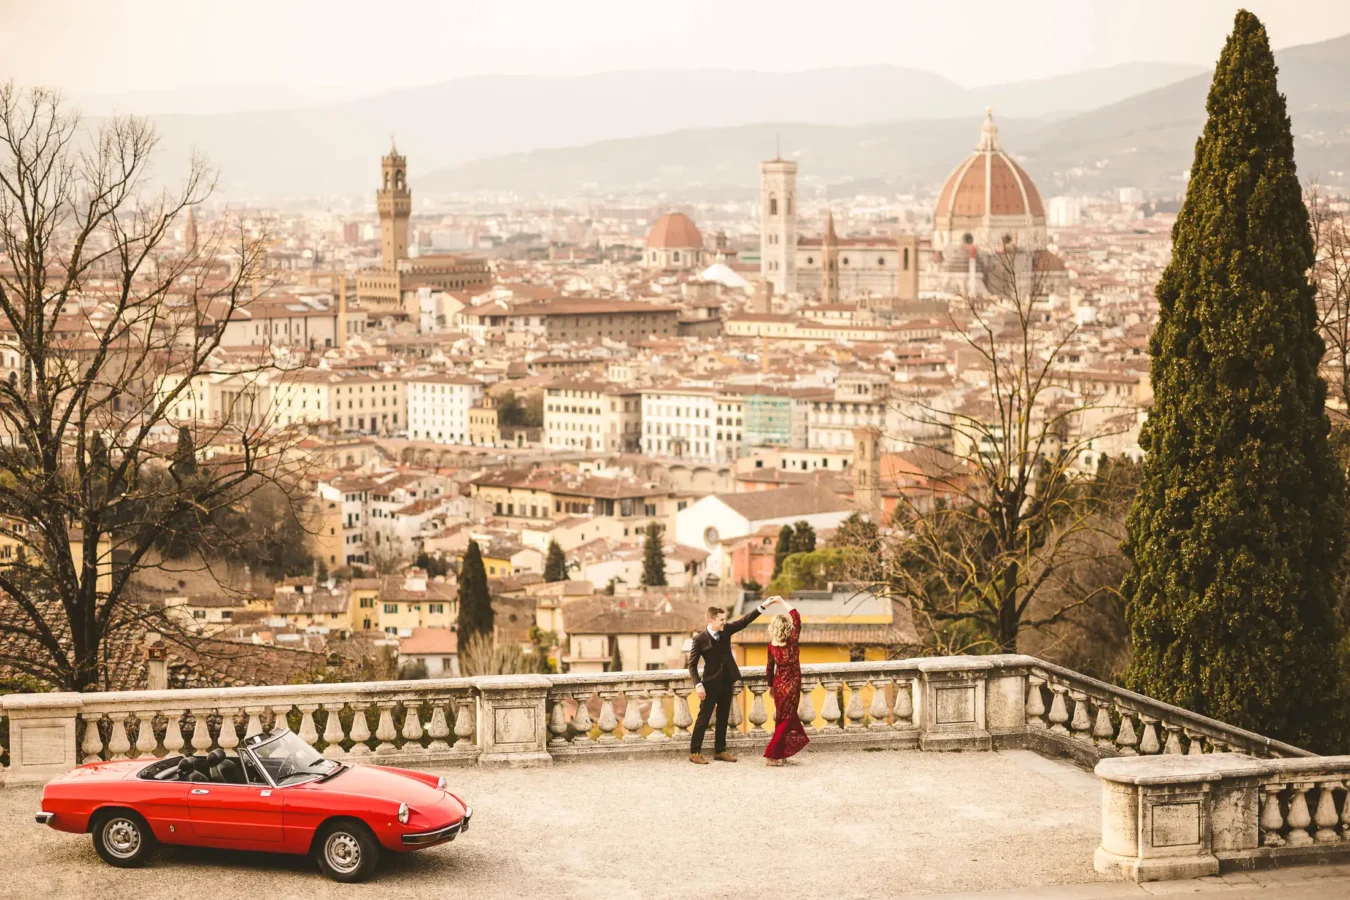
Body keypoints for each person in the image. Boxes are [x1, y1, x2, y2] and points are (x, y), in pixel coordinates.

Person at [687, 598, 771, 764]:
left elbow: (745, 621)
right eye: (721, 620)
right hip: (709, 684)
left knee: (723, 717)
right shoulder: (699, 640)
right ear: (710, 620)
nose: (724, 622)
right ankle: (694, 752)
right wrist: (698, 685)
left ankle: (720, 751)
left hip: (727, 681)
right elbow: (692, 665)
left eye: (724, 619)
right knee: (703, 719)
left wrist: (763, 606)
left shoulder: (726, 630)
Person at [763, 596, 809, 765]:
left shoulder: (771, 646)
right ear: (787, 627)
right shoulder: (792, 642)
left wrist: (771, 686)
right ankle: (771, 755)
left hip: (779, 685)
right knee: (785, 720)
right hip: (793, 684)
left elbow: (769, 668)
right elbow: (796, 616)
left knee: (782, 719)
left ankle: (780, 755)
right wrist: (782, 602)